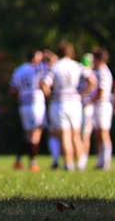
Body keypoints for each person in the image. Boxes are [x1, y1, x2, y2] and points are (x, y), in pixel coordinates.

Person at [41, 41, 83, 171]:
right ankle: (81, 163)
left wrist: (49, 96)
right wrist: (82, 93)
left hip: (59, 102)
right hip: (75, 101)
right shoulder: (77, 65)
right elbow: (92, 80)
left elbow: (44, 84)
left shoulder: (55, 67)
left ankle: (68, 163)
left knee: (65, 135)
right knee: (76, 134)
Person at [10, 49, 45, 171]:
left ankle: (18, 160)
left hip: (24, 104)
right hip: (36, 103)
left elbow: (13, 89)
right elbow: (44, 84)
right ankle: (33, 162)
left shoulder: (19, 70)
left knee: (28, 134)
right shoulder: (38, 68)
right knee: (35, 134)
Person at [87, 49, 115, 170]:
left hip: (103, 104)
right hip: (98, 104)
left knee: (104, 132)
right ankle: (100, 159)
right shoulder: (97, 71)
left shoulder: (103, 72)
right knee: (98, 134)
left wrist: (90, 100)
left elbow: (101, 91)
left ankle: (106, 160)